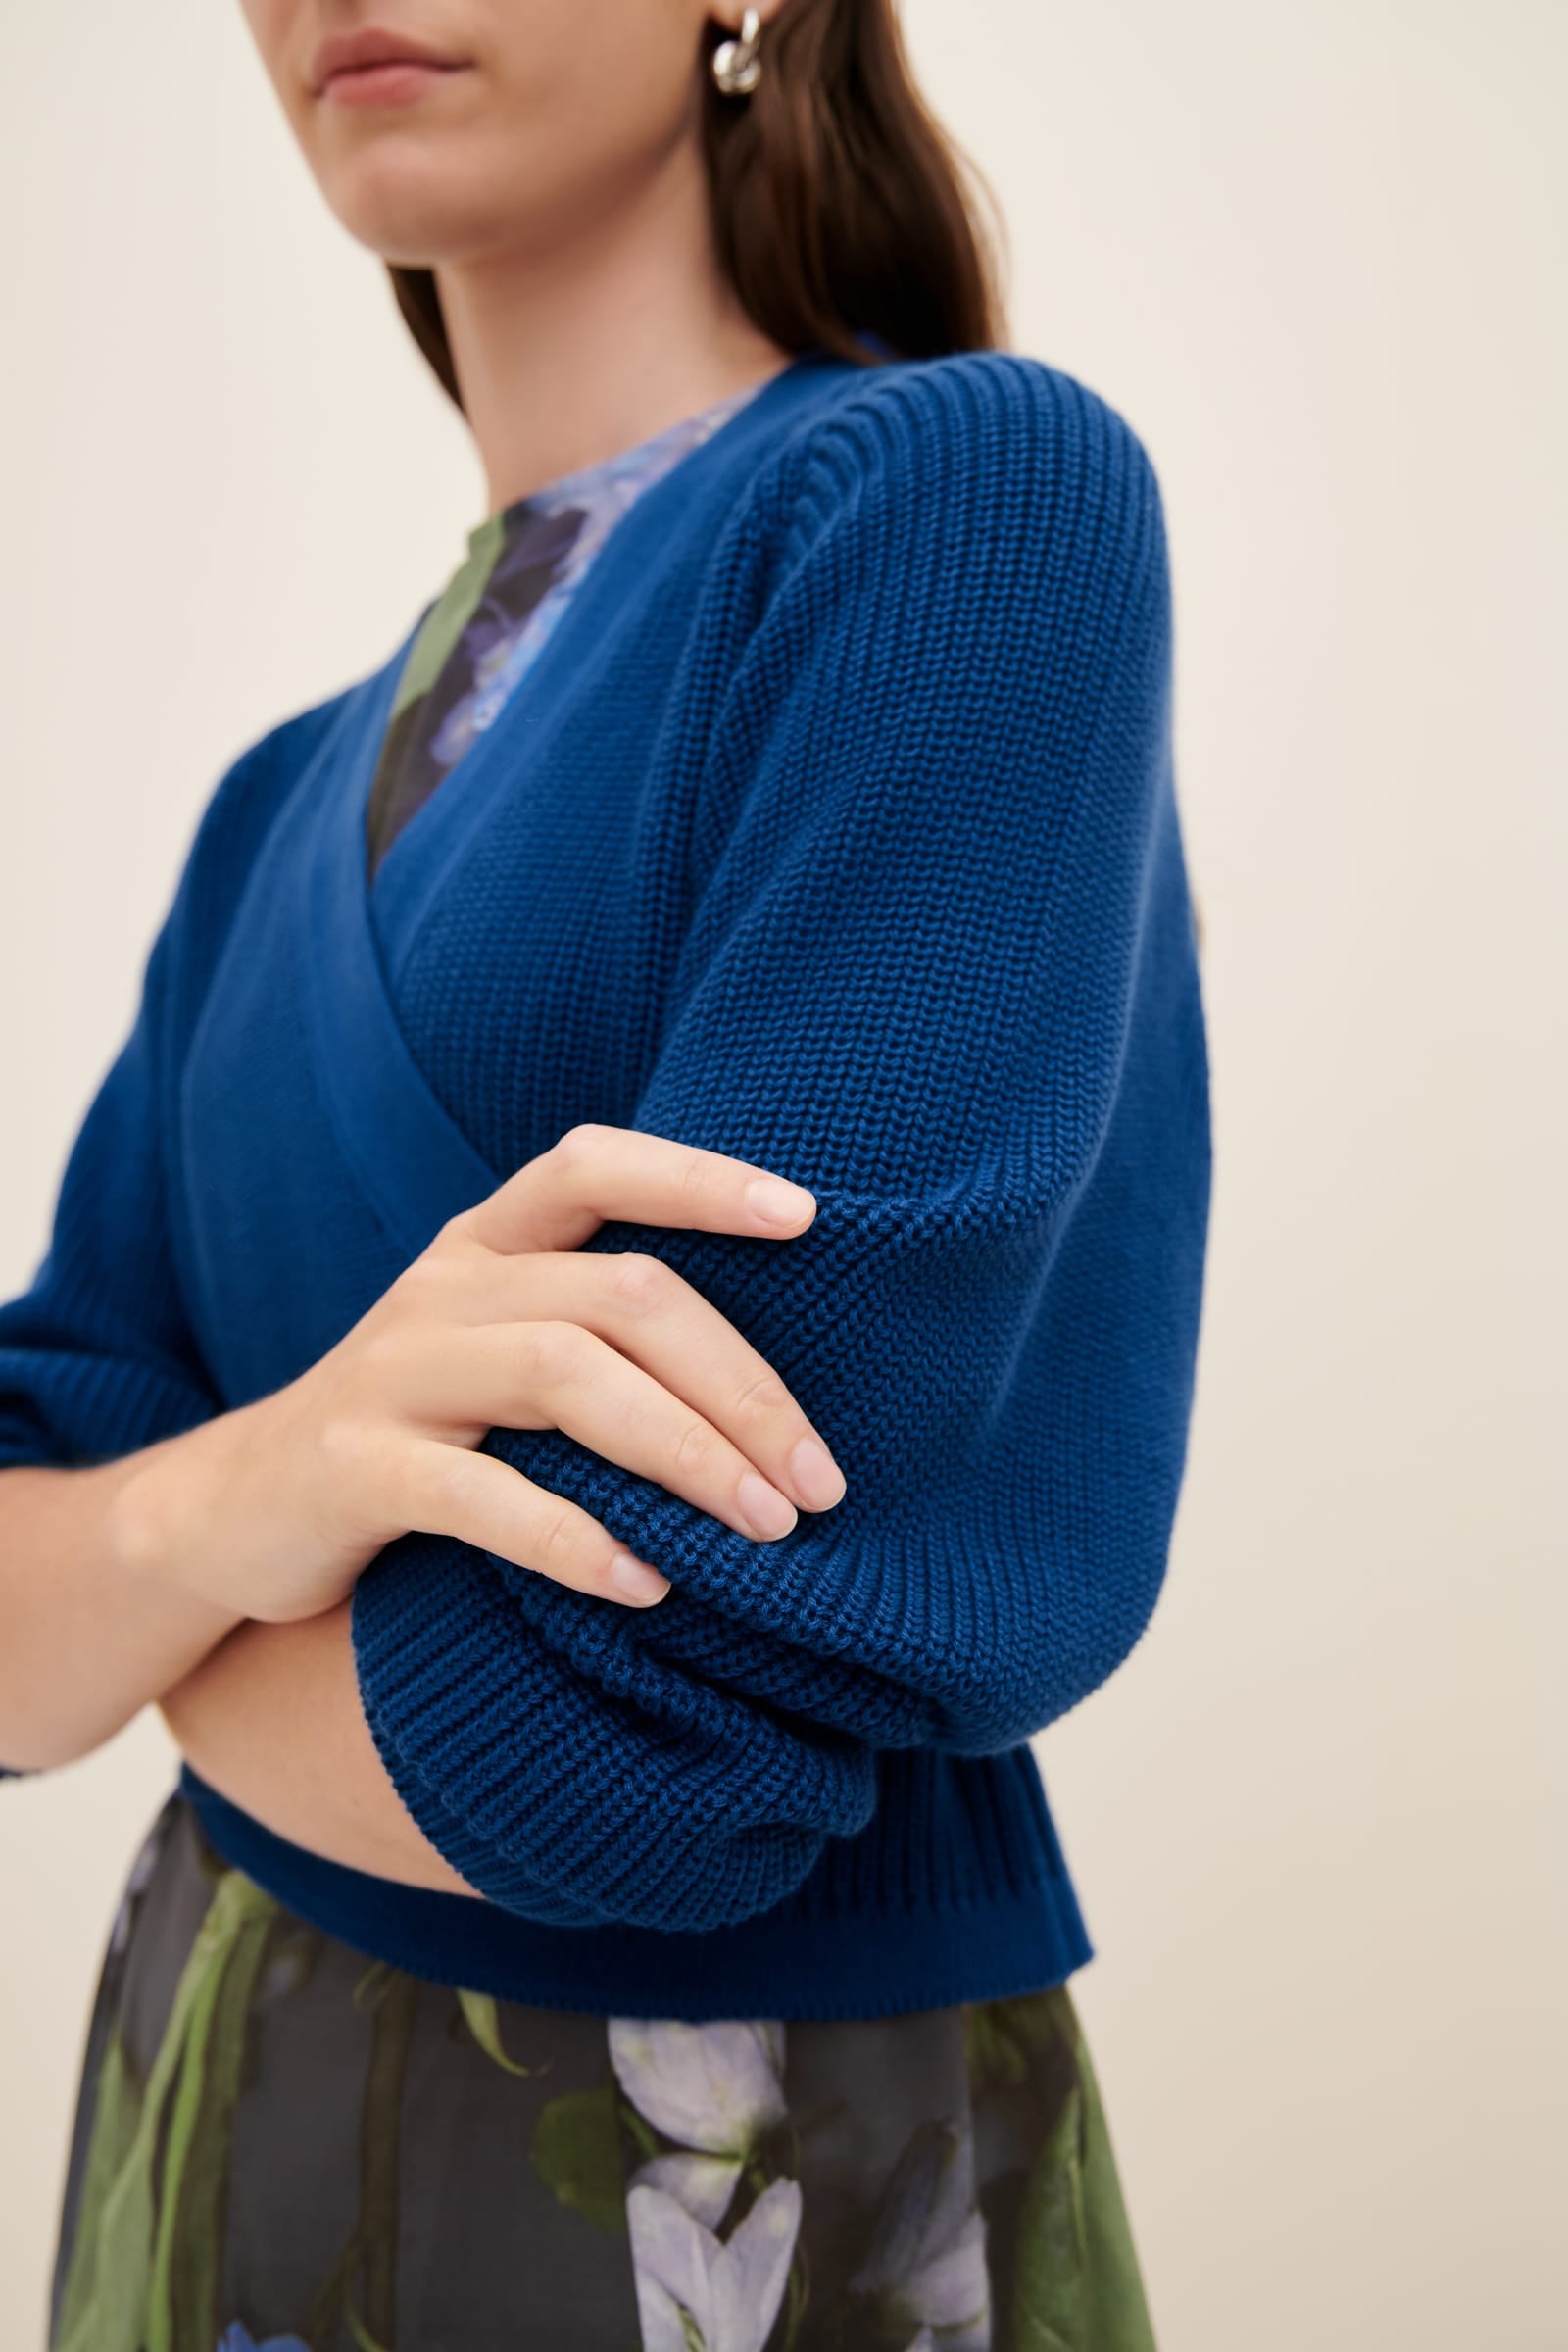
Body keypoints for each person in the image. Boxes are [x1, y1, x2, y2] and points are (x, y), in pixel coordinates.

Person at [0, 1, 1212, 2344]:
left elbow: (616, 1745)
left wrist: (151, 1632)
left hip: (718, 2188)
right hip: (207, 2132)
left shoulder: (957, 503)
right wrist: (221, 1503)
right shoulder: (273, 801)